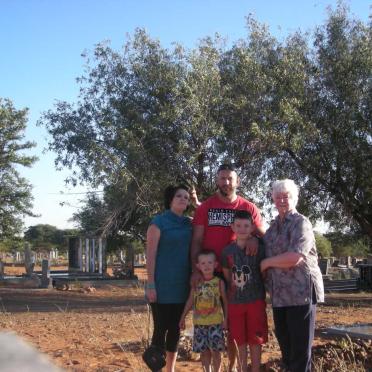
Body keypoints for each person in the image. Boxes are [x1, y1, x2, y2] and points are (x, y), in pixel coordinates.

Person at [191, 163, 265, 371]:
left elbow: (262, 234)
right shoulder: (205, 207)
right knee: (209, 323)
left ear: (237, 181)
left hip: (238, 277)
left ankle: (232, 367)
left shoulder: (248, 207)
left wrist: (256, 240)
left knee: (233, 327)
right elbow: (196, 241)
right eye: (222, 178)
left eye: (230, 178)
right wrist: (195, 270)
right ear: (216, 181)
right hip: (210, 275)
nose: (226, 182)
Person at [260, 179, 324, 372]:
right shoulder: (272, 228)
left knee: (300, 352)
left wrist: (266, 263)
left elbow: (295, 257)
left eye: (285, 196)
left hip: (301, 294)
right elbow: (261, 244)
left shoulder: (301, 223)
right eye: (277, 197)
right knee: (286, 350)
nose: (281, 200)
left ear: (294, 198)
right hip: (279, 297)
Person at [145, 185, 192, 372]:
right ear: (170, 199)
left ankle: (170, 369)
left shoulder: (189, 223)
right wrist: (150, 284)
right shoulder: (158, 223)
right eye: (179, 196)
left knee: (175, 329)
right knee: (160, 328)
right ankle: (156, 367)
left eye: (186, 197)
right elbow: (151, 254)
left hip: (182, 285)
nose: (183, 199)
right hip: (161, 285)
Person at [221, 210, 268, 372]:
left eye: (246, 226)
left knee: (256, 340)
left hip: (256, 301)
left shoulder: (260, 249)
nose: (242, 229)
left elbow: (264, 273)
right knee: (239, 341)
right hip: (235, 303)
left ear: (252, 227)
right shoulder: (227, 252)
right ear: (232, 227)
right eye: (238, 225)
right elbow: (228, 277)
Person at [179, 250, 228, 372]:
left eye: (210, 262)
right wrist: (183, 316)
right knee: (204, 351)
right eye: (203, 263)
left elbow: (225, 302)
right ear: (198, 266)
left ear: (216, 264)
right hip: (200, 323)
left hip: (215, 323)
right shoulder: (197, 283)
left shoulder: (219, 282)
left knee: (216, 351)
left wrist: (226, 319)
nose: (206, 266)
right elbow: (190, 300)